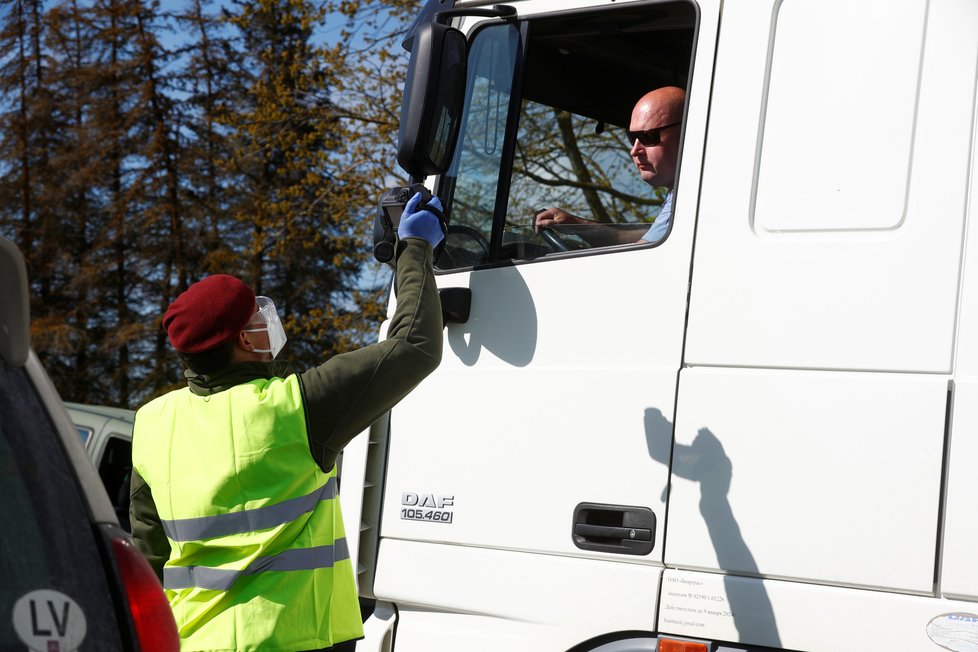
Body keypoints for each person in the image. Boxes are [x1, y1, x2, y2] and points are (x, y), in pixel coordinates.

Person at [129, 192, 445, 652]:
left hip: (190, 640)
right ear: (243, 338)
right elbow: (415, 345)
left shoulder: (153, 422)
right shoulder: (298, 406)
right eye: (256, 315)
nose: (265, 318)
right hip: (294, 640)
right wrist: (415, 249)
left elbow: (148, 552)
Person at [534, 86, 686, 246]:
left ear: (687, 132)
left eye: (648, 136)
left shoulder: (689, 196)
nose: (634, 150)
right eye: (631, 137)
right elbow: (643, 239)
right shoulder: (679, 198)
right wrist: (575, 224)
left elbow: (639, 258)